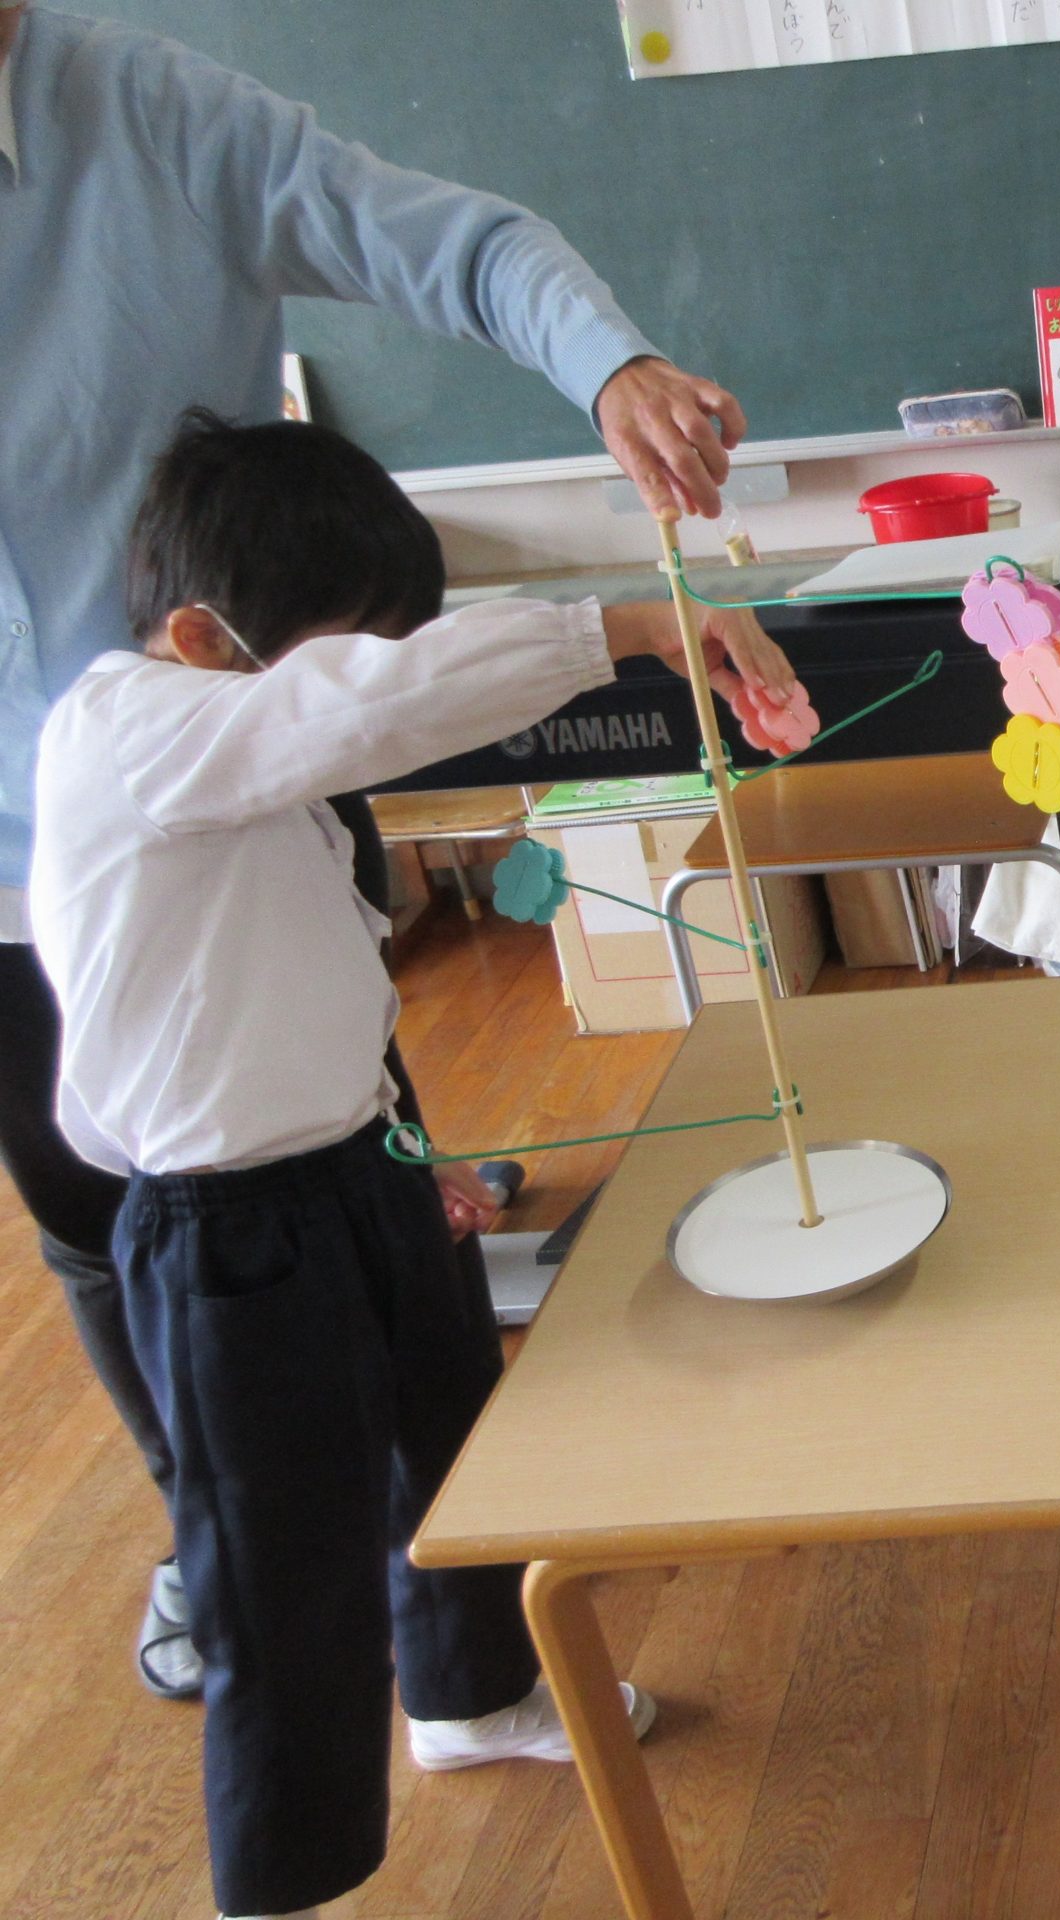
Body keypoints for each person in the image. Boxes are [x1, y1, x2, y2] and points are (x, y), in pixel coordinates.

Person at [0, 1, 746, 1695]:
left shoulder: (142, 113)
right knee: (120, 1239)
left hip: (262, 788)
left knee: (394, 1244)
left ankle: (467, 1666)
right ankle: (232, 1554)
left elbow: (457, 247)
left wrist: (609, 368)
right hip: (57, 870)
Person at [29, 413, 792, 1920]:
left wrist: (395, 1144)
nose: (372, 689)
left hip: (354, 1172)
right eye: (350, 651)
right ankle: (282, 1881)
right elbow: (356, 711)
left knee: (452, 1452)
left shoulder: (242, 750)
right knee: (279, 1577)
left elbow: (321, 975)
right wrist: (629, 625)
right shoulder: (129, 733)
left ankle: (470, 1695)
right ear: (202, 638)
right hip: (227, 1231)